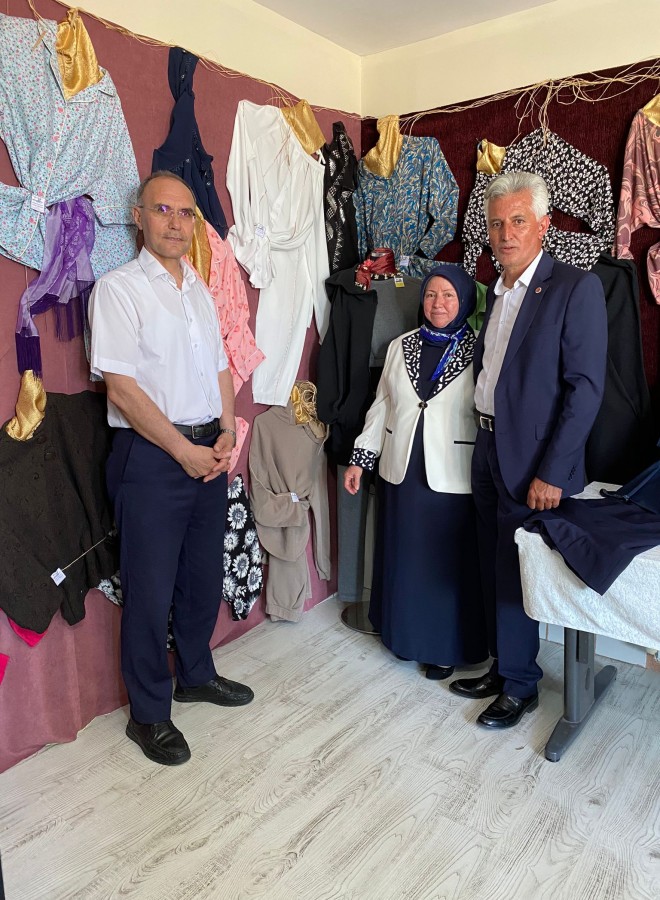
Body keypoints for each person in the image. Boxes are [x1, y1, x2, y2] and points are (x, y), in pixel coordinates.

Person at [89, 171, 254, 766]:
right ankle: (149, 714)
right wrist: (182, 451)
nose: (176, 223)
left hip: (209, 451)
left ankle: (196, 674)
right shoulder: (118, 289)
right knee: (150, 589)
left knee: (202, 577)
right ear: (139, 216)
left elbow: (220, 369)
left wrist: (228, 431)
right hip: (153, 458)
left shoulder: (199, 290)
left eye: (186, 213)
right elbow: (121, 388)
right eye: (163, 210)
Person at [449, 171, 607, 728]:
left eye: (518, 221)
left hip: (534, 460)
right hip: (488, 444)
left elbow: (585, 391)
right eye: (496, 224)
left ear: (543, 225)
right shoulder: (496, 291)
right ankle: (503, 667)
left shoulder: (573, 288)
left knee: (518, 570)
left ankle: (520, 686)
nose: (506, 233)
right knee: (491, 562)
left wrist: (554, 472)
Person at [344, 264, 488, 678]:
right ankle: (404, 638)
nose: (437, 303)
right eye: (430, 294)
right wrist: (361, 458)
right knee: (405, 558)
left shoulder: (481, 351)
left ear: (465, 301)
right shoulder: (399, 346)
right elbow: (382, 406)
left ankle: (444, 648)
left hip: (452, 474)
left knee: (445, 564)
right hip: (402, 472)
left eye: (448, 295)